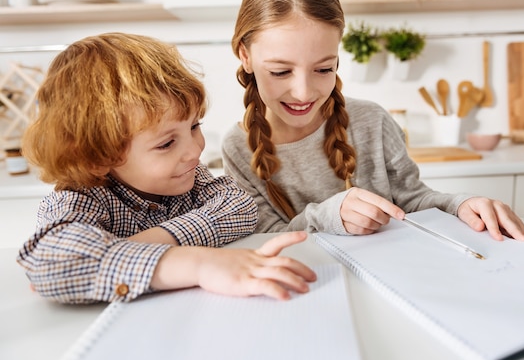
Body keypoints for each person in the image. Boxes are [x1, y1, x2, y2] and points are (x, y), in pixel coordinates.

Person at [222, 0, 524, 242]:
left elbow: (413, 201)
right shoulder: (238, 147)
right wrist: (329, 214)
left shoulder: (372, 121)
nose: (303, 93)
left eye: (324, 69)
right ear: (245, 56)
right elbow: (264, 239)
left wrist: (461, 205)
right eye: (280, 71)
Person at [16, 32, 316, 305]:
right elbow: (52, 262)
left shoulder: (190, 177)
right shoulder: (80, 198)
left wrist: (140, 244)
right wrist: (197, 264)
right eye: (166, 143)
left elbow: (239, 206)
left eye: (194, 126)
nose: (194, 150)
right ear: (98, 156)